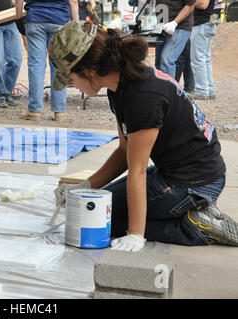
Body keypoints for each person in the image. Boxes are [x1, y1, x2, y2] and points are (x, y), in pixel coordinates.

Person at [51, 21, 237, 252]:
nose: (71, 85)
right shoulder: (118, 87)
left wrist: (136, 234)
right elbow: (123, 151)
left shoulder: (142, 98)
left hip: (197, 182)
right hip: (176, 172)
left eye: (70, 79)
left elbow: (137, 170)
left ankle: (194, 227)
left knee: (100, 219)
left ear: (89, 71)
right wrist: (85, 186)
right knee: (89, 207)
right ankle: (184, 213)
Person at [16, 0, 79, 122]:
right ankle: (59, 112)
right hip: (60, 21)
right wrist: (75, 24)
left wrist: (18, 18)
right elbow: (73, 2)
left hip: (36, 19)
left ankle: (34, 110)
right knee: (59, 67)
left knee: (36, 66)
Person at [154, 0, 196, 79]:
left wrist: (174, 23)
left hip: (179, 27)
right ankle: (160, 89)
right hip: (162, 27)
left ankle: (169, 90)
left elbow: (190, 5)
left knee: (166, 60)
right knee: (158, 63)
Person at [189, 0, 221, 100]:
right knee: (205, 59)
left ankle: (201, 91)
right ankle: (209, 90)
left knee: (198, 59)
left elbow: (202, 4)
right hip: (210, 22)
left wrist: (187, 2)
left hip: (202, 23)